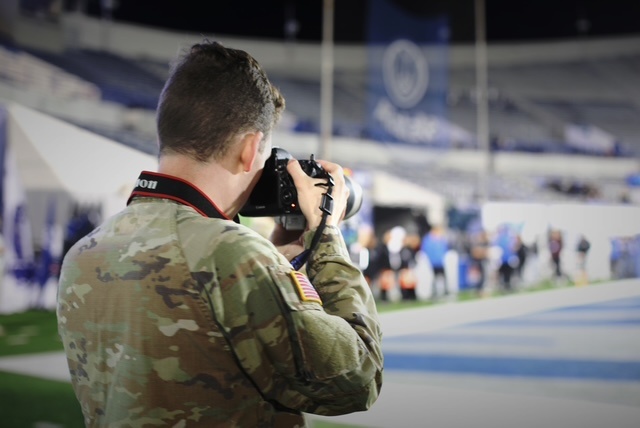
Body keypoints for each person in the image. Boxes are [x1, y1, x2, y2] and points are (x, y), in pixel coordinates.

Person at [56, 40, 383, 427]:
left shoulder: (85, 252)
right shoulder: (232, 253)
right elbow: (358, 378)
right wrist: (326, 235)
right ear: (251, 148)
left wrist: (279, 262)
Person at [420, 225, 449, 299]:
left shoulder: (440, 239)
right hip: (432, 262)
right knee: (434, 277)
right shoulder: (428, 239)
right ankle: (434, 292)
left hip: (440, 261)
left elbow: (445, 248)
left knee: (443, 276)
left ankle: (445, 290)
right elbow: (424, 250)